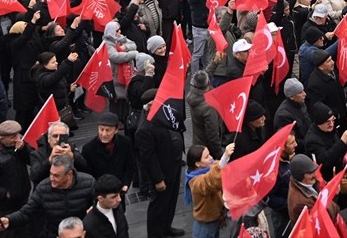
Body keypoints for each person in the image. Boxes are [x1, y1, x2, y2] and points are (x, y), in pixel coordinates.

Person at [0, 154, 96, 238]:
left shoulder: (88, 183)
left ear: (69, 174)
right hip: (54, 234)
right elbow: (27, 212)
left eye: (56, 175)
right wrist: (10, 220)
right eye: (50, 174)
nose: (52, 178)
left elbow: (100, 206)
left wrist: (94, 210)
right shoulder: (43, 188)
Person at [134, 89, 187, 238]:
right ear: (150, 106)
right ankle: (155, 234)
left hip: (173, 165)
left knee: (170, 202)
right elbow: (148, 157)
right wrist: (158, 179)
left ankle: (166, 227)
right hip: (162, 173)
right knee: (159, 206)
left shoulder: (161, 115)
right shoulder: (145, 129)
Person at [184, 143, 234, 238]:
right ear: (197, 164)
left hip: (213, 220)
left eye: (209, 154)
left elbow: (216, 167)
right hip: (205, 226)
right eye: (206, 157)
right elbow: (211, 181)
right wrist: (225, 157)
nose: (211, 158)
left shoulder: (208, 167)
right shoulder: (196, 182)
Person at [80, 112, 136, 195]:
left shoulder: (125, 143)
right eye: (101, 129)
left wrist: (126, 183)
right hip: (100, 193)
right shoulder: (88, 149)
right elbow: (87, 175)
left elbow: (130, 165)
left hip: (119, 190)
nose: (104, 134)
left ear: (116, 130)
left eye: (108, 130)